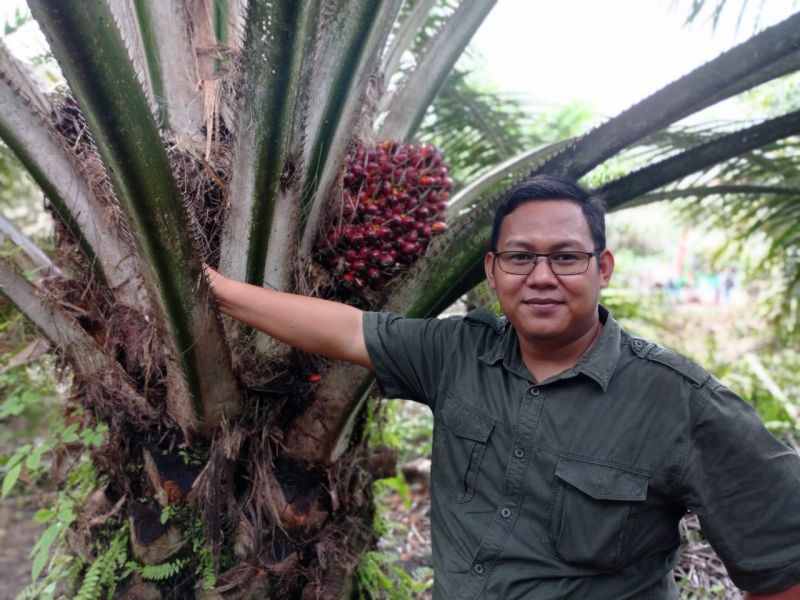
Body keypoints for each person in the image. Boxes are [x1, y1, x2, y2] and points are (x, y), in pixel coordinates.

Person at [207, 175, 800, 599]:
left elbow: (783, 567)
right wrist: (210, 287)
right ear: (493, 272)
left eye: (566, 258)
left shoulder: (681, 402)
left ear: (603, 268)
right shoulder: (457, 353)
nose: (541, 277)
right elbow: (345, 329)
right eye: (520, 258)